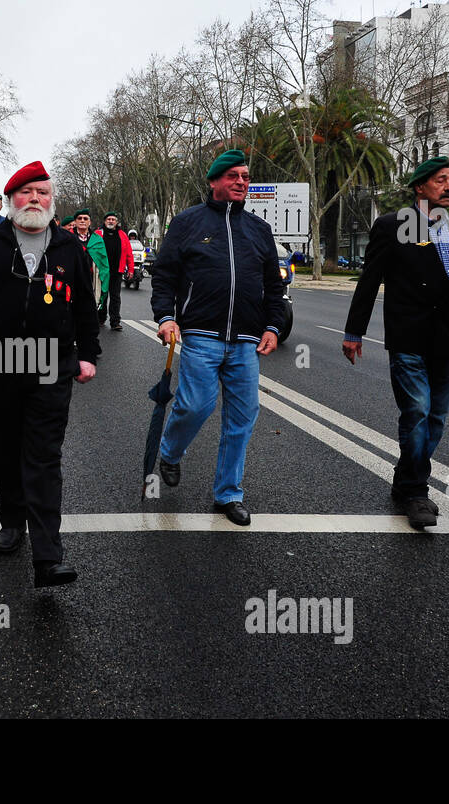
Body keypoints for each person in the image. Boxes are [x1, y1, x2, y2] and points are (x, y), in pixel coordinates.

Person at [342, 155, 449, 529]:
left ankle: (405, 477)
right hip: (409, 340)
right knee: (417, 413)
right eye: (441, 180)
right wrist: (354, 332)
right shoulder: (392, 226)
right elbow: (369, 282)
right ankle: (416, 492)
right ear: (420, 187)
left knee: (435, 420)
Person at [0, 161, 100, 588]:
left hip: (52, 364)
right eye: (26, 192)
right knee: (6, 450)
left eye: (43, 192)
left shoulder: (70, 246)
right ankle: (11, 519)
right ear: (12, 199)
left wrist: (88, 353)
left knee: (44, 457)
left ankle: (49, 556)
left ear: (52, 201)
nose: (35, 199)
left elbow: (86, 309)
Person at [151, 149, 285, 525]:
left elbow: (274, 289)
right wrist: (165, 317)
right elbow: (164, 277)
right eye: (232, 176)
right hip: (201, 335)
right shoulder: (187, 223)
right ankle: (171, 451)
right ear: (214, 182)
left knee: (243, 417)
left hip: (246, 341)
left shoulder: (259, 230)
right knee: (196, 406)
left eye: (245, 176)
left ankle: (228, 494)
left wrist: (273, 327)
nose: (241, 181)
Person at [97, 211, 133, 330]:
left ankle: (115, 321)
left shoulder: (122, 235)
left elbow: (129, 254)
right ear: (104, 221)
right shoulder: (98, 233)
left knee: (115, 297)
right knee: (102, 295)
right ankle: (100, 318)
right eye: (109, 219)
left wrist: (131, 269)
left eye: (113, 219)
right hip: (102, 271)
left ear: (117, 222)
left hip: (117, 271)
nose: (111, 221)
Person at [71, 209, 108, 327]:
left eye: (85, 218)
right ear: (75, 222)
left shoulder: (98, 240)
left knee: (89, 308)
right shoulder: (67, 237)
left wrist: (104, 280)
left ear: (89, 222)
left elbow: (103, 263)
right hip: (72, 279)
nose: (82, 221)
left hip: (91, 280)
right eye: (79, 218)